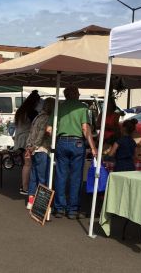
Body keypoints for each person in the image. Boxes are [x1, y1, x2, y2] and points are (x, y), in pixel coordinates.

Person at [46, 86, 97, 219]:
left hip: (62, 142)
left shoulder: (59, 107)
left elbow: (49, 129)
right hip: (77, 143)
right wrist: (92, 147)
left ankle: (59, 208)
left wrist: (56, 138)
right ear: (76, 94)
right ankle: (73, 209)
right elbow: (85, 129)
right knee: (76, 177)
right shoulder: (82, 107)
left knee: (61, 175)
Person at [25, 97, 55, 209]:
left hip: (34, 150)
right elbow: (41, 134)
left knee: (34, 176)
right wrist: (35, 146)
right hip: (42, 149)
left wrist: (29, 148)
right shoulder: (47, 118)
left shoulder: (38, 117)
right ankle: (41, 203)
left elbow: (31, 133)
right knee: (42, 178)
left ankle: (31, 201)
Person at [14, 90, 41, 195]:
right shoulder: (32, 112)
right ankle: (25, 187)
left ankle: (25, 186)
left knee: (26, 164)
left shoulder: (21, 111)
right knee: (28, 164)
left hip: (20, 139)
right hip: (27, 140)